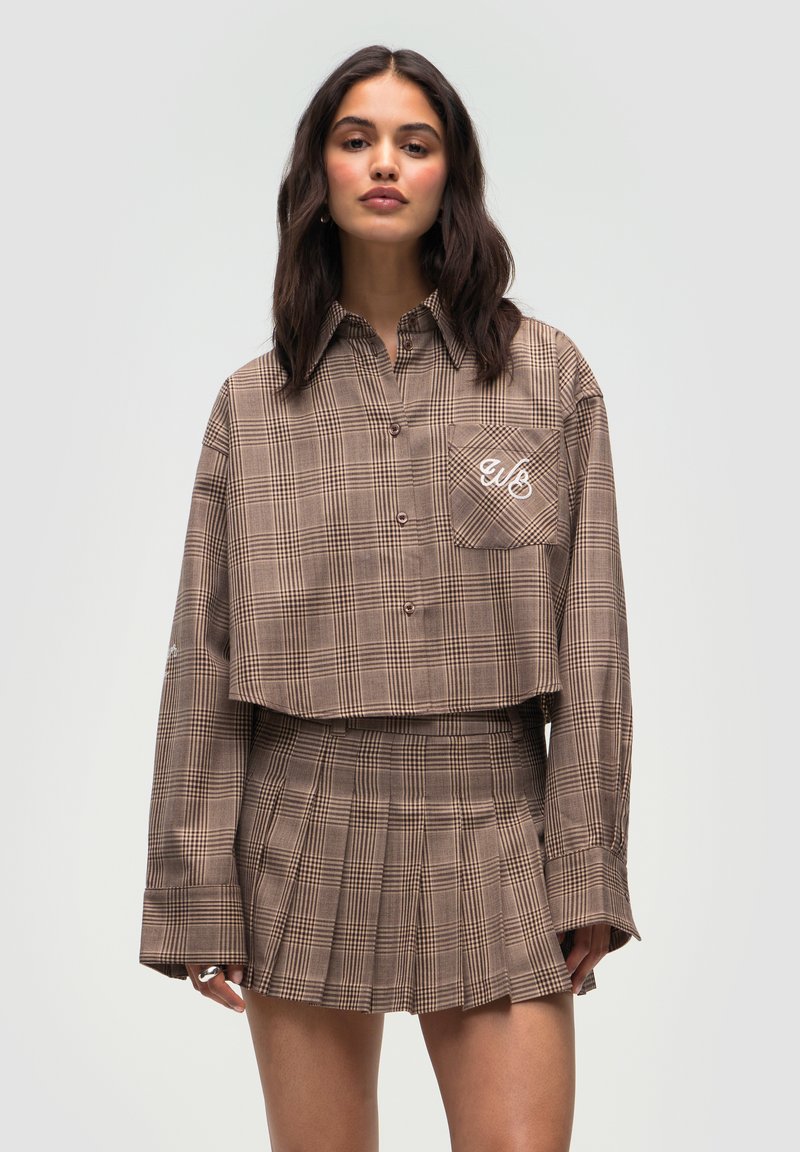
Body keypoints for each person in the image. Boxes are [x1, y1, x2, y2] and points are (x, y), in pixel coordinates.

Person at [139, 44, 641, 1152]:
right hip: (300, 828)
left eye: (414, 143)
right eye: (355, 139)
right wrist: (195, 891)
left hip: (494, 825)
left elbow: (593, 638)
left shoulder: (546, 377)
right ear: (315, 172)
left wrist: (587, 868)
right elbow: (202, 658)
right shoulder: (251, 405)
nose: (383, 164)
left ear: (449, 175)